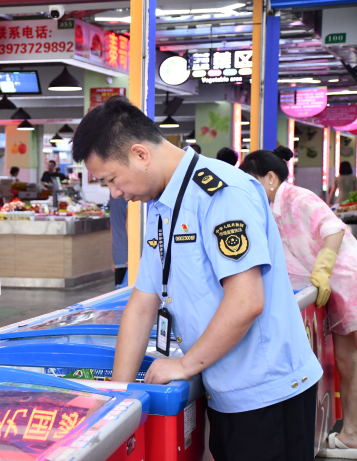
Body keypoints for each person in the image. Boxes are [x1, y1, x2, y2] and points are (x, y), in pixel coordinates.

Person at [72, 96, 322, 461]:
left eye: (111, 179)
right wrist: (118, 399)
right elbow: (142, 306)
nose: (115, 193)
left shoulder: (221, 193)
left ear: (141, 154)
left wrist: (183, 365)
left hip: (268, 394)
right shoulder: (160, 206)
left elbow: (246, 301)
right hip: (226, 389)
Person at [240, 148, 357, 457]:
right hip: (332, 285)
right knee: (348, 363)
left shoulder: (298, 198)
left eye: (250, 180)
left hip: (345, 277)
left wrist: (323, 267)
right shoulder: (269, 208)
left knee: (351, 361)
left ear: (269, 178)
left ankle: (352, 433)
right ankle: (351, 433)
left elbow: (332, 231)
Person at [109, 195, 128, 288]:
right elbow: (130, 224)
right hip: (128, 255)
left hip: (119, 254)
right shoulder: (129, 193)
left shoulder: (113, 196)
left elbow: (112, 227)